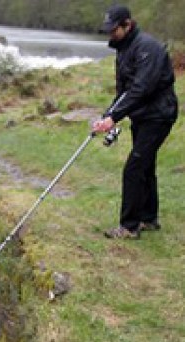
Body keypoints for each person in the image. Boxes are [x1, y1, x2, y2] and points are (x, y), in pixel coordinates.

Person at [92, 5, 178, 239]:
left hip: (159, 115)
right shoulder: (124, 48)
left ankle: (129, 227)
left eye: (114, 30)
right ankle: (149, 219)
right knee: (145, 166)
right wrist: (108, 116)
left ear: (127, 25)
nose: (110, 34)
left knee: (134, 168)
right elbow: (123, 91)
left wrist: (114, 117)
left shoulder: (147, 48)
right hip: (142, 115)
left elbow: (141, 88)